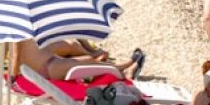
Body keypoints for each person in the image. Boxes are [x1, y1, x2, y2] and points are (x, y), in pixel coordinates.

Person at [12, 39, 145, 82]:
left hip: (50, 63)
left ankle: (122, 71)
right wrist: (13, 78)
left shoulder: (25, 28)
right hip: (46, 68)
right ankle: (124, 68)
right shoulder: (18, 34)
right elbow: (16, 56)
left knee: (88, 60)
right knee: (89, 62)